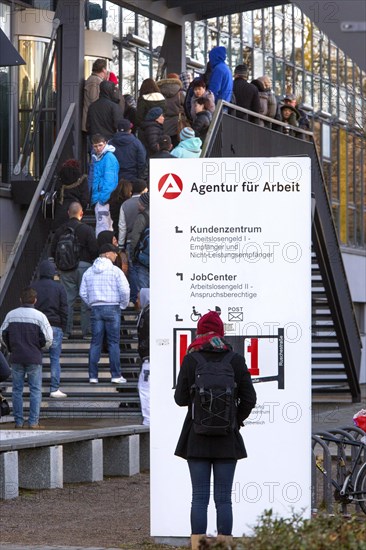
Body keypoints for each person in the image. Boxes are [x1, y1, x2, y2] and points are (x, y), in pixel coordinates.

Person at [174, 311, 256, 549]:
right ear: (221, 332)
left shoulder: (191, 359)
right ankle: (224, 546)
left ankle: (198, 546)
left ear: (199, 332)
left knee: (199, 497)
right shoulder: (235, 359)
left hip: (196, 438)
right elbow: (250, 398)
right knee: (223, 499)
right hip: (227, 439)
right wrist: (234, 420)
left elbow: (180, 399)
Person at [0, 287, 53, 429]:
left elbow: (2, 335)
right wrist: (40, 348)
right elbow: (48, 338)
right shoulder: (40, 316)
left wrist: (10, 348)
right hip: (34, 357)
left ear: (20, 300)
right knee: (35, 390)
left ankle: (18, 422)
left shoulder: (11, 315)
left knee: (17, 390)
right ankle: (33, 422)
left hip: (16, 357)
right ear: (35, 300)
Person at [79, 243, 130, 384]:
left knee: (95, 342)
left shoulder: (89, 271)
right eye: (114, 253)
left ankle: (93, 376)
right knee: (113, 342)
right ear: (107, 254)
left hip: (96, 308)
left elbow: (82, 292)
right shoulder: (115, 271)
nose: (116, 256)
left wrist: (92, 303)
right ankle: (115, 375)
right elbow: (125, 290)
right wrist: (123, 305)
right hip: (113, 307)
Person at [50, 201, 98, 339]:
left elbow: (53, 251)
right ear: (81, 213)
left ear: (68, 213)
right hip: (84, 267)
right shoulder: (87, 229)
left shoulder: (60, 230)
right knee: (85, 300)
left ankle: (66, 332)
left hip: (66, 269)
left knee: (68, 301)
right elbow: (94, 250)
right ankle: (87, 332)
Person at [32, 260, 68, 398]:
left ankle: (36, 387)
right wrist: (63, 326)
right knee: (55, 358)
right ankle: (54, 388)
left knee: (37, 357)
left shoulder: (33, 287)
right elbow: (64, 308)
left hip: (37, 326)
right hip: (55, 325)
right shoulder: (59, 287)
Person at [118, 179, 148, 306]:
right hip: (146, 244)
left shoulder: (125, 204)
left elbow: (122, 227)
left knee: (133, 270)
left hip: (131, 241)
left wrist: (121, 246)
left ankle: (135, 297)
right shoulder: (150, 204)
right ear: (143, 190)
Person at [88, 133, 120, 236]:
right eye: (95, 146)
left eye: (100, 145)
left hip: (103, 199)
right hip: (101, 197)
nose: (98, 148)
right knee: (104, 228)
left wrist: (102, 199)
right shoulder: (100, 157)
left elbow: (110, 181)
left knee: (103, 229)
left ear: (105, 143)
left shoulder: (107, 158)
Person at [53, 159, 89, 230]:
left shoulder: (60, 178)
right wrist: (81, 209)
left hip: (61, 210)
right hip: (76, 211)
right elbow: (85, 198)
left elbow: (56, 191)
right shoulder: (82, 179)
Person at [157, 73, 186, 146]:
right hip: (178, 124)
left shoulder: (160, 92)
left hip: (164, 123)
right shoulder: (181, 93)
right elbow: (186, 108)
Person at [130, 192, 150, 292]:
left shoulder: (142, 217)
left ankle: (146, 306)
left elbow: (135, 237)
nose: (138, 203)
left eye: (140, 202)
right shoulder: (160, 216)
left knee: (143, 287)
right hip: (160, 257)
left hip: (143, 258)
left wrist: (132, 254)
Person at [82, 58, 108, 133]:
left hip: (93, 122)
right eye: (106, 69)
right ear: (103, 69)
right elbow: (94, 101)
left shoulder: (95, 80)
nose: (107, 72)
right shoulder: (95, 81)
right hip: (93, 123)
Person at [136, 288, 150, 426]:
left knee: (145, 389)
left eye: (139, 298)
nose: (136, 301)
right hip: (148, 357)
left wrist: (144, 348)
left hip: (149, 359)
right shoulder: (146, 312)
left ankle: (148, 420)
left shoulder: (147, 314)